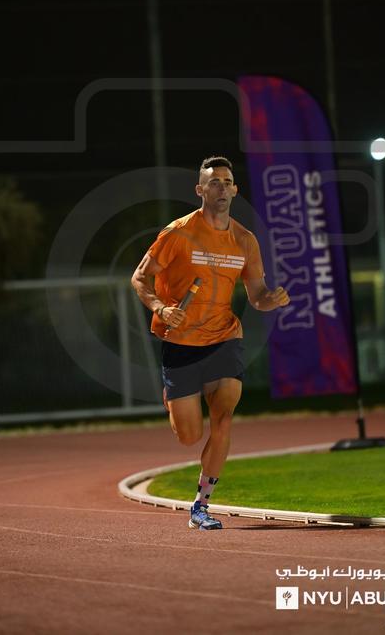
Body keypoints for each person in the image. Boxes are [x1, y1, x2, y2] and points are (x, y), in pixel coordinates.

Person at [131, 156, 290, 530]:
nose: (221, 187)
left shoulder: (245, 240)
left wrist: (271, 300)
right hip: (181, 342)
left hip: (224, 338)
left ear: (235, 190)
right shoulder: (179, 233)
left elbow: (256, 295)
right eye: (214, 182)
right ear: (200, 190)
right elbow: (139, 278)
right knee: (189, 436)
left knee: (224, 417)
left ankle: (201, 505)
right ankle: (173, 397)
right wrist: (161, 307)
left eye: (227, 181)